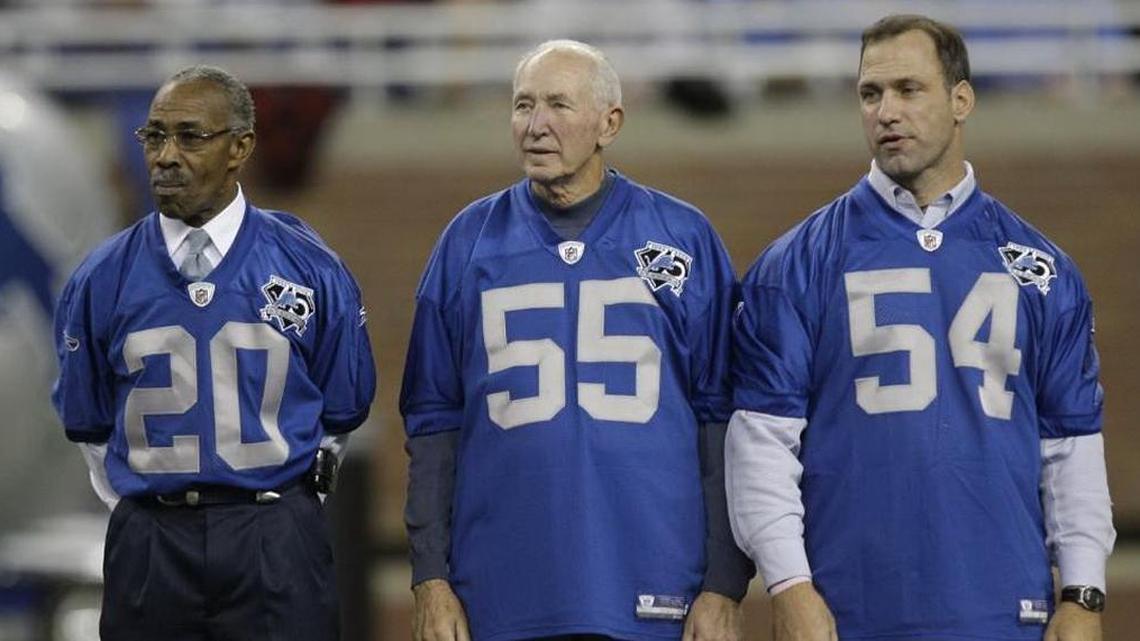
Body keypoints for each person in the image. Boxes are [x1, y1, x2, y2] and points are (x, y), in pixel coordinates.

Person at [725, 14, 1115, 641]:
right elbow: (761, 445)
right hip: (850, 609)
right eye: (870, 94)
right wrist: (789, 584)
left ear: (962, 100)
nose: (886, 112)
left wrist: (1084, 593)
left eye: (909, 90)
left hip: (1004, 606)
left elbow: (1071, 445)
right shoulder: (794, 265)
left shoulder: (1044, 272)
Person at [401, 40, 754, 641]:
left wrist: (723, 582)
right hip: (504, 586)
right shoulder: (467, 242)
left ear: (608, 123)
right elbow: (434, 425)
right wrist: (430, 579)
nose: (536, 126)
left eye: (558, 105)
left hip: (654, 579)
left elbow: (724, 422)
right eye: (523, 106)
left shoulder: (683, 236)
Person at [51, 65, 376, 641]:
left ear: (240, 148)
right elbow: (90, 426)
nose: (166, 155)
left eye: (190, 136)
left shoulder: (307, 266)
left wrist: (275, 504)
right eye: (154, 136)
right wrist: (157, 504)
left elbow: (340, 412)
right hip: (153, 542)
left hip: (274, 535)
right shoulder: (102, 278)